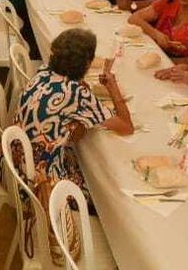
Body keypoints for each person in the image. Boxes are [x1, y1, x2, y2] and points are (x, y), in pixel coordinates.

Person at [12, 28, 134, 210]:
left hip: (13, 162)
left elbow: (76, 133)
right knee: (108, 196)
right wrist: (112, 87)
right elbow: (126, 126)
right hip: (37, 184)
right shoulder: (77, 94)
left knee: (86, 160)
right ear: (86, 64)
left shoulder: (44, 71)